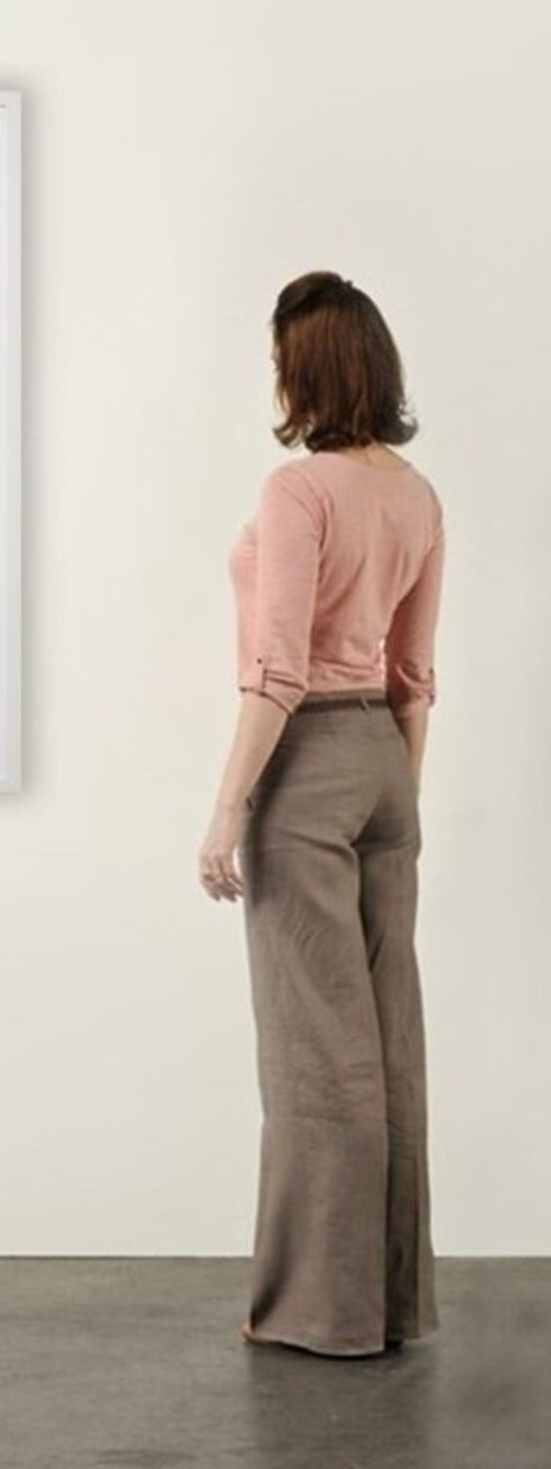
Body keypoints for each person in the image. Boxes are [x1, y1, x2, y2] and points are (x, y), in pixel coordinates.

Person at [197, 270, 445, 1359]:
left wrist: (227, 808)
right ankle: (389, 1304)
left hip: (306, 765)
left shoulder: (300, 491)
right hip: (385, 760)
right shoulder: (418, 495)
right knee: (388, 1040)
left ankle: (320, 1311)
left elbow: (278, 670)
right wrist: (401, 799)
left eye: (281, 358)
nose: (273, 375)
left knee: (316, 1052)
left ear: (311, 370)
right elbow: (415, 675)